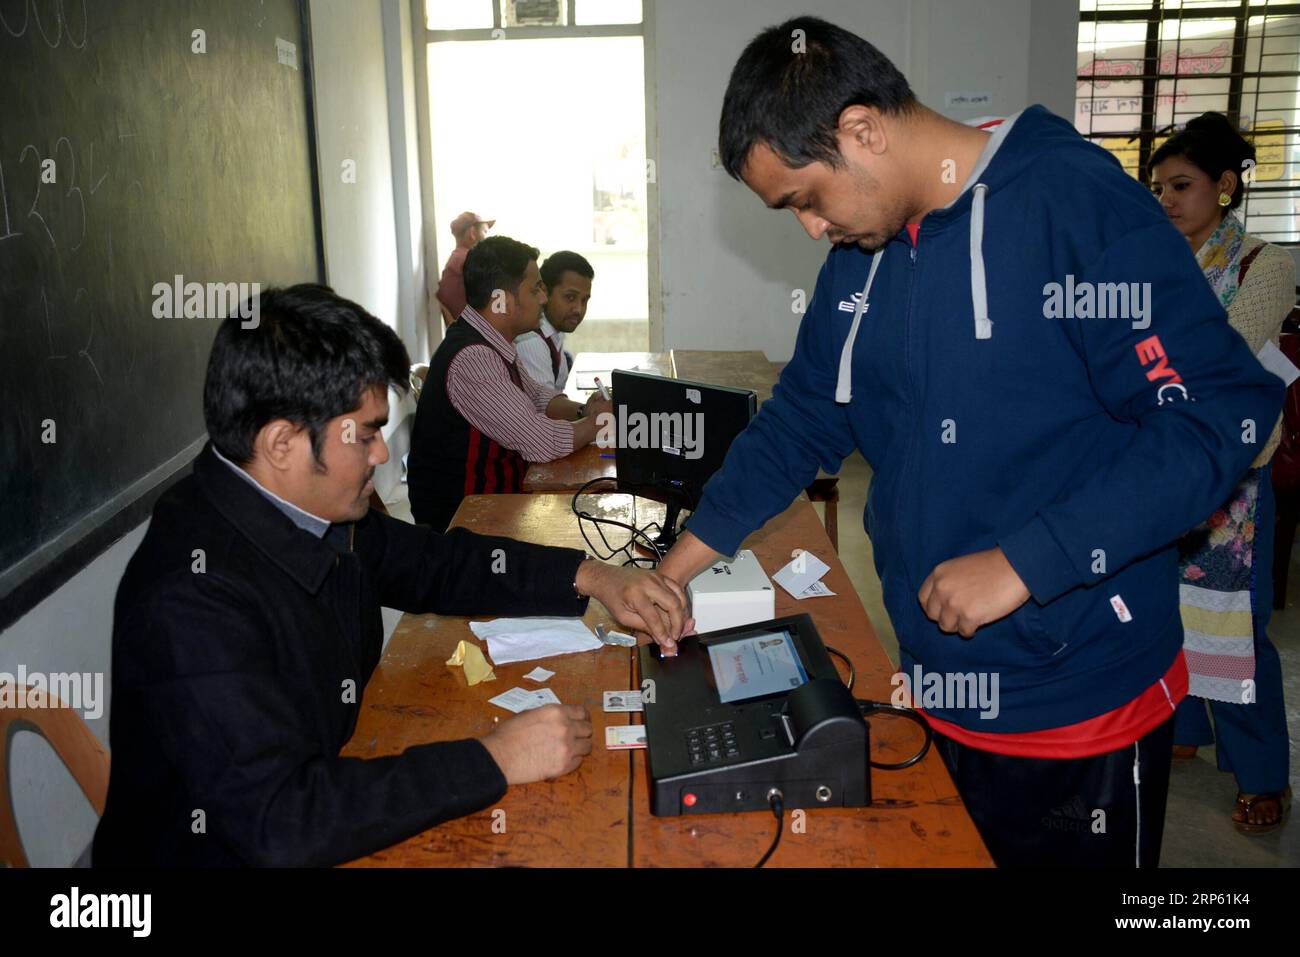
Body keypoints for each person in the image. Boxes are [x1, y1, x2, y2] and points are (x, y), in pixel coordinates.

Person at [652, 17, 1283, 867]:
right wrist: (675, 567)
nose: (807, 227)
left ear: (862, 130)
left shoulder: (1073, 203)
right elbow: (804, 416)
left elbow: (1221, 416)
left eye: (803, 197)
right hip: (936, 681)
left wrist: (1029, 560)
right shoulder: (864, 251)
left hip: (1077, 704)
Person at [92, 284, 687, 867]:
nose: (381, 454)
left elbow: (434, 564)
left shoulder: (303, 511)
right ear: (281, 444)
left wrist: (594, 576)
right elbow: (282, 822)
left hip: (330, 774)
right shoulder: (192, 600)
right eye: (367, 433)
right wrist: (492, 760)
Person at [1150, 112, 1294, 833]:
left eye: (1181, 185)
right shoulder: (1159, 260)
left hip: (1238, 476)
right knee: (1163, 606)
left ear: (1226, 186)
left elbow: (1226, 353)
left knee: (1236, 625)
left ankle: (1263, 771)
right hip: (1166, 462)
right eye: (1159, 188)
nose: (1167, 200)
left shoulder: (1265, 264)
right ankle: (1182, 728)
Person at [408, 236, 611, 532]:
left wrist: (583, 411)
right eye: (535, 289)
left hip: (495, 505)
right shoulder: (474, 358)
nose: (543, 298)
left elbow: (539, 398)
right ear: (501, 299)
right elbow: (541, 442)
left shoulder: (494, 342)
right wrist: (599, 422)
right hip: (465, 526)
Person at [515, 251, 595, 390]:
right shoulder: (532, 341)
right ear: (544, 291)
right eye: (570, 297)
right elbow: (547, 408)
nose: (578, 309)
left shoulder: (555, 333)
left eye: (584, 300)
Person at [437, 210, 494, 319]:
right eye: (485, 232)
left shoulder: (456, 259)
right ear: (472, 233)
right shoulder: (467, 260)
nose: (487, 238)